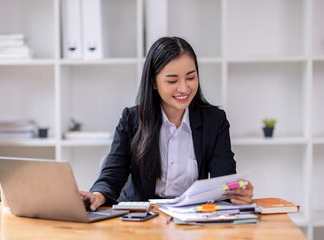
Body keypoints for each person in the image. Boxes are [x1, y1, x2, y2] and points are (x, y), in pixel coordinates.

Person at [80, 36, 254, 211]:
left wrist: (237, 193)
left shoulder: (214, 121)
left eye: (191, 77)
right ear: (154, 82)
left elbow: (224, 181)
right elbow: (113, 175)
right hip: (141, 217)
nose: (184, 88)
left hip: (192, 215)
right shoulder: (131, 119)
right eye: (172, 81)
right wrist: (97, 196)